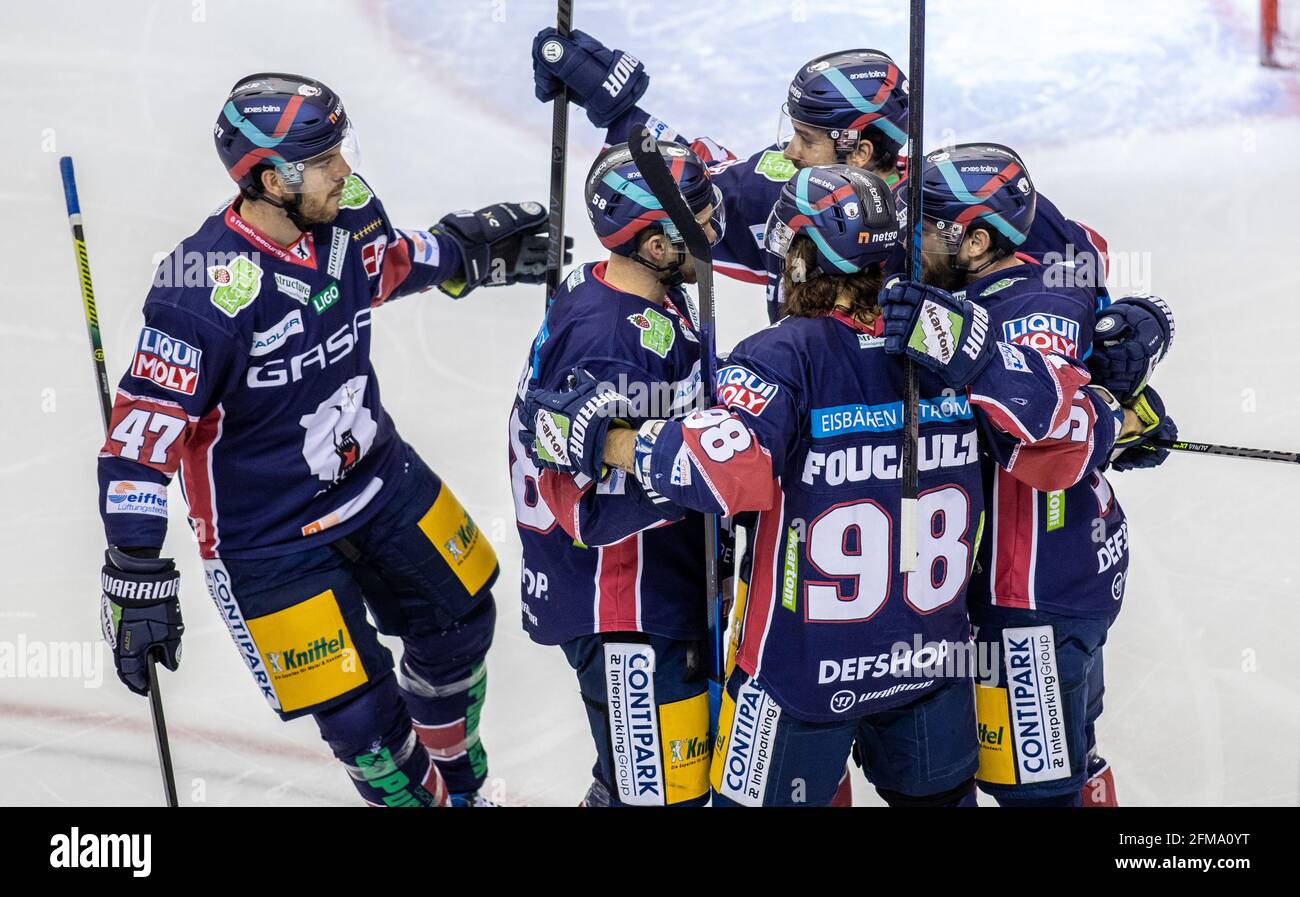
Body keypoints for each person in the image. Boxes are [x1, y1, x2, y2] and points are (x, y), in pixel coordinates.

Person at [520, 165, 1135, 806]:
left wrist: (606, 439)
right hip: (931, 668)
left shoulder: (782, 354)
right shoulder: (951, 346)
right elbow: (1061, 437)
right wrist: (1124, 393)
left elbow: (720, 469)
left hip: (801, 674)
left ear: (806, 262)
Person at [97, 72, 565, 807]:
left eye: (338, 151)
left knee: (461, 619)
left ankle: (463, 785)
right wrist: (133, 564)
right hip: (268, 538)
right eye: (322, 160)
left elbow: (390, 265)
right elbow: (138, 441)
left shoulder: (348, 218)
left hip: (376, 476)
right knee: (364, 723)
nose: (343, 171)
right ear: (267, 178)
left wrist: (466, 254)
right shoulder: (199, 290)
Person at [913, 142, 1176, 806]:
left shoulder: (1026, 309)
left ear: (974, 240)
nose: (910, 240)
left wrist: (1112, 408)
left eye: (926, 225)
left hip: (1030, 594)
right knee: (1068, 766)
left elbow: (1054, 445)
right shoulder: (1023, 274)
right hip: (1056, 579)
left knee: (1038, 789)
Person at [530, 30, 1111, 319]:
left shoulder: (957, 204)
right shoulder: (776, 187)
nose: (792, 149)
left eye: (808, 138)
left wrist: (1119, 340)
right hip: (807, 454)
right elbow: (689, 182)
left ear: (858, 150)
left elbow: (1083, 267)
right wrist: (619, 108)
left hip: (933, 461)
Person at [507, 140, 726, 806]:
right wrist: (716, 470)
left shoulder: (643, 293)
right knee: (658, 795)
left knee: (652, 786)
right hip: (621, 606)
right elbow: (585, 509)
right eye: (697, 217)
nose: (713, 226)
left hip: (651, 587)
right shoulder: (611, 343)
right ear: (657, 245)